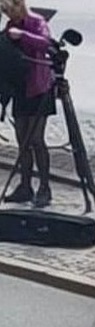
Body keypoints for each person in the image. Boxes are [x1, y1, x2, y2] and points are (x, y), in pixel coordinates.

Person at [1, 0, 55, 207]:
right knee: (22, 140)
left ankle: (45, 187)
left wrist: (22, 35)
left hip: (39, 87)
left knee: (36, 139)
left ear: (19, 5)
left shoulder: (36, 21)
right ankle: (25, 186)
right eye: (4, 11)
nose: (7, 14)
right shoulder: (10, 26)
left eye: (8, 10)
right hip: (21, 88)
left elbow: (45, 43)